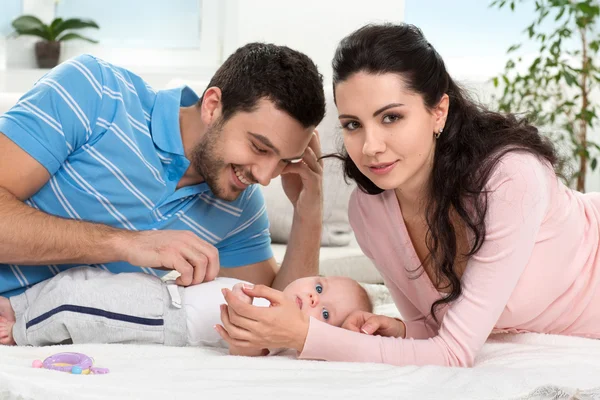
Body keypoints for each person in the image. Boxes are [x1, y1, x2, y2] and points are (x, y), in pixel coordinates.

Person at [216, 23, 600, 367]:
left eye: (391, 117)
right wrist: (397, 332)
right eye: (353, 124)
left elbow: (453, 353)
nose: (370, 147)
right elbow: (432, 332)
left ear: (438, 111)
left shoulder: (509, 180)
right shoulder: (370, 212)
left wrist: (303, 336)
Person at [0, 43, 325, 301]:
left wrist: (309, 213)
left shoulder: (239, 206)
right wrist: (127, 244)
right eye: (259, 147)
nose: (266, 177)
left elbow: (276, 310)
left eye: (284, 160)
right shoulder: (95, 92)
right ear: (213, 107)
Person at [0, 266, 372, 357]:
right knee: (79, 279)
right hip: (162, 288)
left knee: (77, 307)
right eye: (319, 288)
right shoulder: (273, 293)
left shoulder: (277, 335)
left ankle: (20, 333)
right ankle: (17, 306)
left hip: (165, 318)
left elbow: (247, 348)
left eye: (324, 315)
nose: (312, 300)